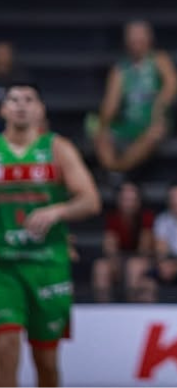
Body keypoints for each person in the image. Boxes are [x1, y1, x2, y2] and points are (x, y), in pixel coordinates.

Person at [0, 83, 102, 387]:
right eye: (14, 100)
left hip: (47, 263)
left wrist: (56, 211)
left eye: (28, 99)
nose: (20, 105)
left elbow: (90, 200)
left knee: (46, 362)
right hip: (5, 265)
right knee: (6, 347)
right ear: (3, 109)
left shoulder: (57, 148)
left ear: (40, 109)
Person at [95, 20, 177, 173]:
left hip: (154, 121)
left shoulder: (159, 59)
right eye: (132, 38)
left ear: (149, 39)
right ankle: (112, 169)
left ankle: (120, 170)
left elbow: (173, 84)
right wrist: (103, 125)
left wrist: (159, 107)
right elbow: (110, 103)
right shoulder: (120, 69)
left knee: (153, 134)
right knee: (100, 135)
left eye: (139, 38)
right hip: (127, 123)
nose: (136, 42)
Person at [91, 180, 155, 302]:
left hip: (142, 260)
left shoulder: (146, 217)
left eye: (132, 199)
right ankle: (102, 308)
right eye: (125, 199)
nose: (128, 203)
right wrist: (114, 260)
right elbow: (109, 246)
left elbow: (144, 248)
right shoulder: (113, 218)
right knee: (101, 266)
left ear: (138, 201)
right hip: (120, 259)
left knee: (134, 265)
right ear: (119, 200)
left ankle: (129, 306)